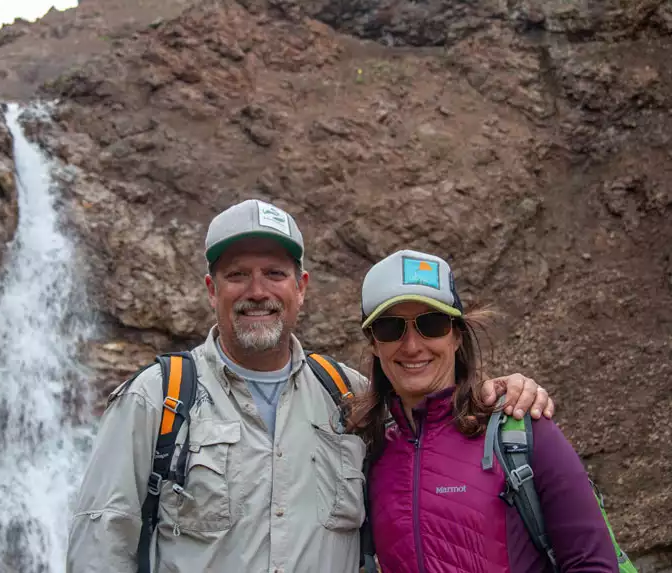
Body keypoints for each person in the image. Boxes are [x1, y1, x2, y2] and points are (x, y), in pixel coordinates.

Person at [66, 200, 554, 573]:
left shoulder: (353, 397)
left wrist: (502, 391)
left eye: (274, 274)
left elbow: (437, 411)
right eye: (238, 275)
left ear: (301, 286)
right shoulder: (156, 399)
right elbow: (98, 548)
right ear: (212, 289)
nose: (257, 291)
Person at [349, 248, 617, 572]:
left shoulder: (522, 430)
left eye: (431, 324)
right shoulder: (368, 450)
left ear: (457, 336)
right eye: (391, 328)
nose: (412, 345)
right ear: (374, 343)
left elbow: (592, 563)